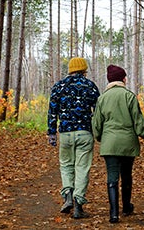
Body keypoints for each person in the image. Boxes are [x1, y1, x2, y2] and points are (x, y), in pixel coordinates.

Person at [91, 64, 144, 224]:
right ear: (122, 79)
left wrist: (100, 138)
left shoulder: (102, 98)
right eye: (125, 76)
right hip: (127, 143)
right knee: (126, 175)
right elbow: (138, 121)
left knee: (112, 176)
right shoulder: (129, 96)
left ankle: (113, 214)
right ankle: (126, 207)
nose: (126, 79)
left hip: (110, 144)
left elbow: (96, 123)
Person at [47, 57, 100, 219]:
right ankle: (78, 204)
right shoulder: (90, 86)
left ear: (70, 69)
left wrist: (51, 133)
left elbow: (52, 111)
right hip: (85, 132)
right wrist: (98, 131)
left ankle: (68, 196)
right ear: (84, 70)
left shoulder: (59, 86)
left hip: (65, 133)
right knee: (82, 168)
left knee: (66, 165)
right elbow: (98, 111)